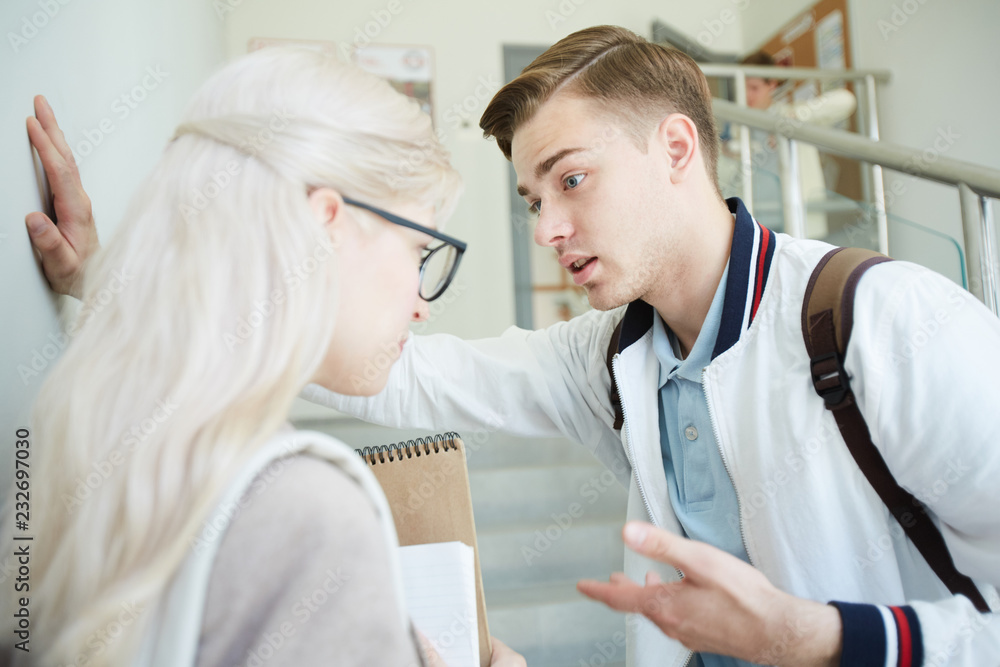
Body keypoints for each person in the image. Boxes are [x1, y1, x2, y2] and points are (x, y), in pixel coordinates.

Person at [21, 25, 1000, 667]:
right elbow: (381, 368)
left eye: (571, 181)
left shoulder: (886, 322)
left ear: (674, 149)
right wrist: (115, 283)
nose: (545, 229)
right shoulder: (611, 359)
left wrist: (823, 637)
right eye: (532, 199)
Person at [3, 48, 525, 667]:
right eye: (418, 250)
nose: (422, 304)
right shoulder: (310, 517)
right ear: (325, 223)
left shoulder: (93, 433)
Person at [721, 51, 857, 240]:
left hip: (796, 222)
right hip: (757, 225)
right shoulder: (738, 129)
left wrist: (795, 118)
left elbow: (846, 100)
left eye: (754, 88)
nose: (747, 95)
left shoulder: (792, 115)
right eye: (742, 88)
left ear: (772, 85)